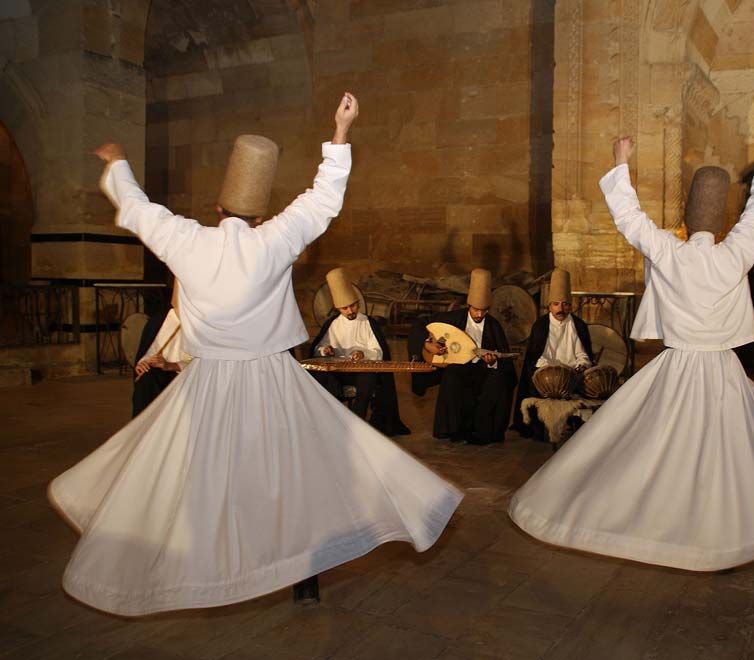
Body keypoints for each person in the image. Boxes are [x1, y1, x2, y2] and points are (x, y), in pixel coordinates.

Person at [48, 93, 462, 616]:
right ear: (261, 211)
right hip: (274, 380)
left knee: (193, 479)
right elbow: (321, 200)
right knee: (296, 476)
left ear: (218, 209)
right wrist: (341, 130)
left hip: (209, 386)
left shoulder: (186, 240)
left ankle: (200, 566)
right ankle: (302, 577)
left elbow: (137, 209)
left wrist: (117, 162)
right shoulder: (275, 240)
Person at [508, 119, 754, 571]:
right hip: (722, 371)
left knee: (646, 447)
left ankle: (650, 520)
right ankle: (722, 534)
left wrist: (621, 164)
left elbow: (631, 221)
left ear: (689, 217)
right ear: (718, 221)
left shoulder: (670, 252)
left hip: (675, 369)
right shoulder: (735, 252)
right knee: (730, 450)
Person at [408, 268, 517, 445]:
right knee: (452, 376)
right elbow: (421, 324)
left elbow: (504, 360)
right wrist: (427, 344)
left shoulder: (494, 325)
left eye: (484, 311)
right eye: (476, 310)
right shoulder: (454, 317)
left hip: (484, 369)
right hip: (459, 365)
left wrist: (492, 363)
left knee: (498, 381)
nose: (480, 315)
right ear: (469, 305)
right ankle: (454, 430)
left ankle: (484, 433)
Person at [308, 267, 410, 436]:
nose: (350, 311)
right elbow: (317, 350)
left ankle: (357, 424)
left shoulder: (368, 323)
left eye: (353, 306)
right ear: (338, 309)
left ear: (358, 303)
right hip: (338, 373)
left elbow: (379, 352)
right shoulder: (333, 324)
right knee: (318, 376)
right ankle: (331, 421)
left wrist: (363, 354)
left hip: (361, 371)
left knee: (367, 378)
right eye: (345, 308)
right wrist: (325, 350)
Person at [512, 268, 593, 438]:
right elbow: (537, 356)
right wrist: (551, 370)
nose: (560, 308)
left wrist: (581, 365)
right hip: (546, 375)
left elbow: (583, 354)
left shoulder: (578, 325)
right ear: (550, 305)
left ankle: (576, 426)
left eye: (565, 304)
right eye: (556, 304)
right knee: (535, 381)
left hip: (572, 375)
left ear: (570, 305)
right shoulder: (541, 325)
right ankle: (540, 429)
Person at [131, 284, 190, 417]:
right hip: (159, 373)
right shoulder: (159, 320)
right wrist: (143, 363)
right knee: (146, 381)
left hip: (185, 376)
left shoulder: (203, 325)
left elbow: (203, 363)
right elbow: (148, 350)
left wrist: (170, 365)